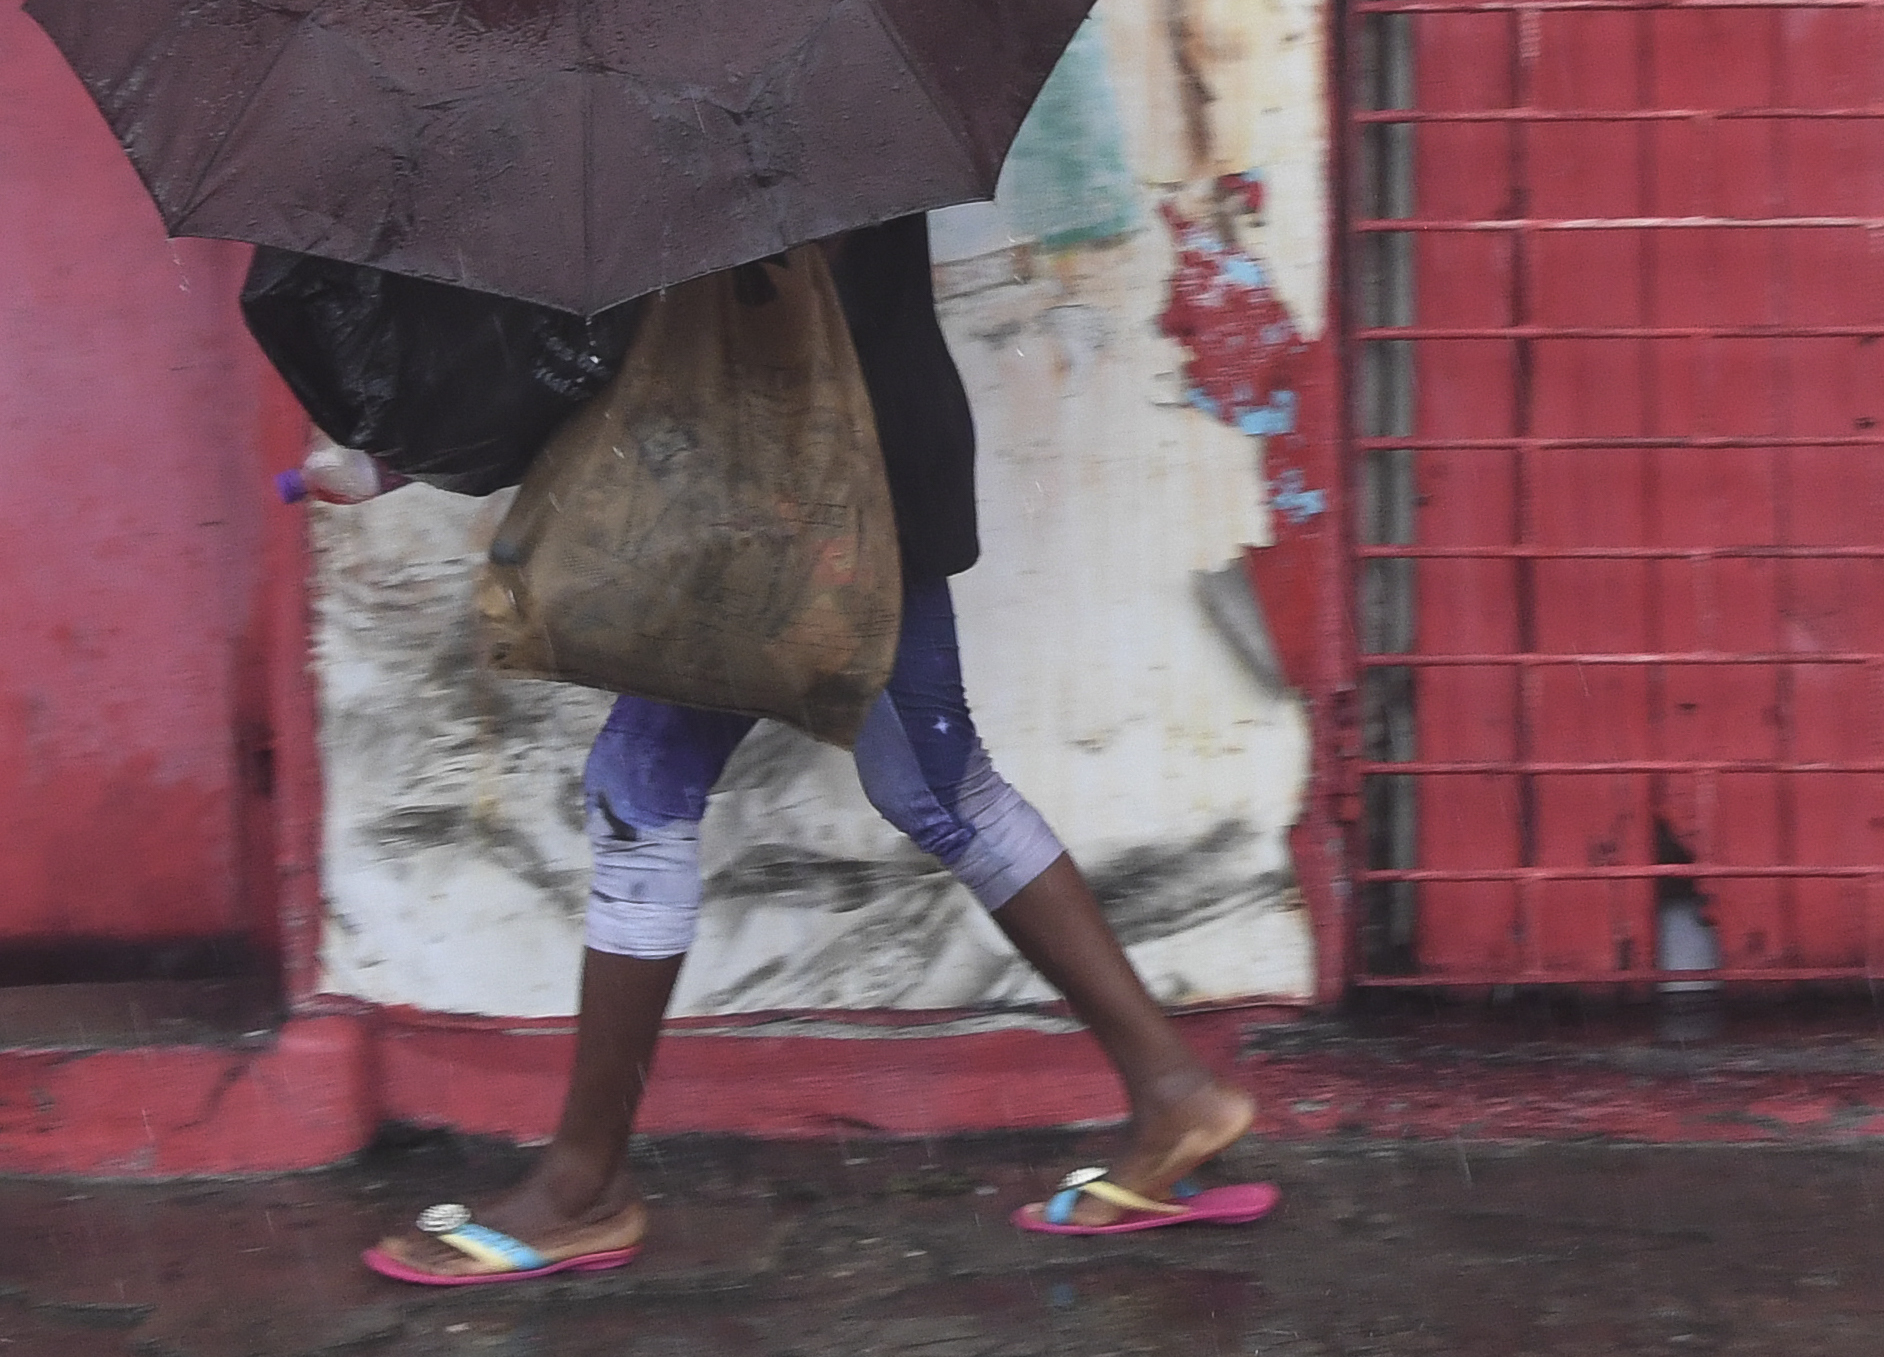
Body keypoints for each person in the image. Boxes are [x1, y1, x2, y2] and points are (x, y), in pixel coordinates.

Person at [355, 214, 1267, 1284]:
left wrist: (426, 439)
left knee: (646, 794)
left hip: (796, 479)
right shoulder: (815, 78)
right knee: (934, 783)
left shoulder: (725, 97)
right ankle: (1171, 1093)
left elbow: (687, 310)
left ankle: (581, 1186)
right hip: (854, 451)